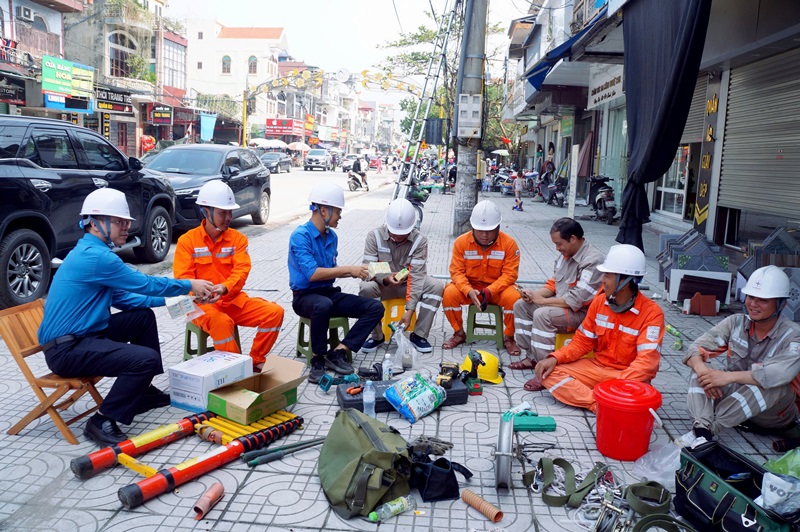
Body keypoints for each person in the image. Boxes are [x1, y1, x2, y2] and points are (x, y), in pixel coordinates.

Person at [37, 188, 215, 445]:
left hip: (82, 336)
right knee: (144, 359)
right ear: (96, 223)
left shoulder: (93, 254)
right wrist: (188, 285)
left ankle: (142, 393)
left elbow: (130, 299)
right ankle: (101, 420)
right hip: (67, 350)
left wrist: (184, 299)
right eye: (120, 221)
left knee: (141, 316)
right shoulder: (96, 258)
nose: (127, 226)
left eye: (127, 221)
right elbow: (145, 284)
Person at [534, 244, 664, 412]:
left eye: (608, 275)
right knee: (549, 373)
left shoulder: (652, 313)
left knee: (639, 390)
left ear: (624, 281)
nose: (603, 280)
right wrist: (555, 358)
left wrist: (619, 385)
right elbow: (581, 342)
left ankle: (606, 398)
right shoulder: (599, 302)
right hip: (597, 368)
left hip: (628, 376)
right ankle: (600, 404)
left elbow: (647, 363)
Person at [173, 181, 285, 372]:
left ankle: (256, 359)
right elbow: (182, 278)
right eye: (222, 213)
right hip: (199, 306)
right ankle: (235, 371)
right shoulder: (187, 241)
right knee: (222, 323)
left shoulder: (238, 239)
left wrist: (224, 288)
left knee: (275, 312)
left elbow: (242, 271)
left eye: (230, 212)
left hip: (231, 300)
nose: (228, 217)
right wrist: (201, 291)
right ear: (206, 212)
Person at [684, 266, 800, 442]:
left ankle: (710, 431)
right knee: (701, 372)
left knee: (774, 384)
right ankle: (701, 431)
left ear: (781, 304)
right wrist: (704, 372)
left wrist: (727, 378)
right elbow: (694, 349)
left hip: (773, 415)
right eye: (751, 297)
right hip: (738, 405)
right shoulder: (735, 323)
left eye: (763, 300)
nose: (753, 304)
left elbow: (778, 374)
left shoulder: (794, 335)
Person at [288, 182, 384, 383]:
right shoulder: (300, 236)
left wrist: (360, 273)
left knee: (375, 307)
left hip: (328, 293)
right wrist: (349, 270)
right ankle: (317, 358)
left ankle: (339, 351)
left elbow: (331, 271)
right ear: (323, 210)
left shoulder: (332, 236)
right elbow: (312, 274)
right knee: (323, 305)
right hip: (304, 298)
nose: (340, 216)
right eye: (338, 212)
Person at [512, 218, 605, 391]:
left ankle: (545, 369)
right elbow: (554, 285)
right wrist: (533, 296)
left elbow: (577, 299)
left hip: (583, 314)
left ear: (573, 239)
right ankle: (531, 357)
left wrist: (542, 301)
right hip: (563, 307)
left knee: (542, 315)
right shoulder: (565, 256)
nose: (557, 248)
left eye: (559, 243)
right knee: (521, 305)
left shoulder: (593, 261)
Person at [360, 199, 444, 353]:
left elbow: (417, 275)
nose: (399, 236)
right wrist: (385, 278)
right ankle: (377, 336)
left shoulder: (420, 240)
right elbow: (368, 269)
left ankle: (419, 335)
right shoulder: (374, 236)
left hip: (409, 284)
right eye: (395, 232)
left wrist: (409, 310)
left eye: (403, 232)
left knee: (436, 287)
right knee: (365, 288)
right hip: (383, 285)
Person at [442, 200, 521, 355]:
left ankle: (509, 337)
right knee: (449, 293)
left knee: (515, 298)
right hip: (470, 289)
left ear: (498, 227)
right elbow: (456, 272)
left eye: (490, 230)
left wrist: (490, 291)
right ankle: (459, 333)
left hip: (498, 290)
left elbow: (510, 274)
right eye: (480, 230)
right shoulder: (461, 242)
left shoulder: (509, 244)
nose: (484, 235)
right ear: (472, 227)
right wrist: (468, 290)